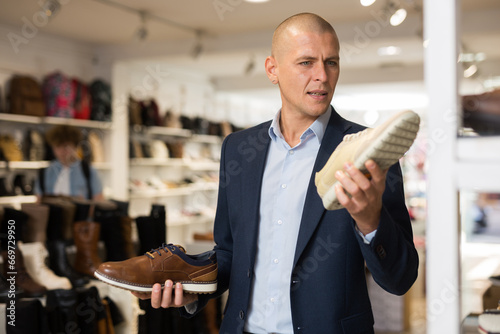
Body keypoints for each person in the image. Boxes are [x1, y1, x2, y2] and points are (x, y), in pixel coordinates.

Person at [133, 12, 419, 333]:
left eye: (332, 62)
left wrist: (370, 220)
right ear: (273, 69)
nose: (322, 76)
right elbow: (229, 254)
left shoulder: (370, 152)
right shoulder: (238, 148)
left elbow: (401, 278)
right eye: (306, 62)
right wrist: (190, 290)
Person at [35, 124, 103, 201]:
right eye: (57, 146)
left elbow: (98, 200)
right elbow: (39, 201)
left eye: (65, 146)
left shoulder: (88, 171)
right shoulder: (45, 172)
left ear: (75, 146)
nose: (61, 151)